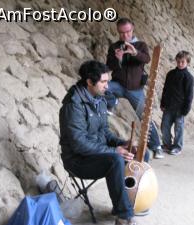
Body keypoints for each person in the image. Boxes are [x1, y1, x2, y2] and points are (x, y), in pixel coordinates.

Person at [59, 60, 138, 225]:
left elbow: (104, 132)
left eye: (107, 81)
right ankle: (124, 215)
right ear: (89, 82)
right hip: (77, 160)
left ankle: (123, 205)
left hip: (95, 154)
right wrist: (113, 151)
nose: (107, 86)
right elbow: (79, 144)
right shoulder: (73, 105)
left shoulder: (99, 99)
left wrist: (122, 143)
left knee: (135, 153)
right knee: (116, 160)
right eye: (103, 82)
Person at [105, 17, 164, 159]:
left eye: (128, 32)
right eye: (121, 33)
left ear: (133, 29)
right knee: (103, 87)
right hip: (118, 85)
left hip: (135, 89)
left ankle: (156, 146)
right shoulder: (115, 46)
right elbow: (108, 66)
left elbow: (147, 59)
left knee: (145, 117)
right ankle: (112, 104)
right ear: (118, 32)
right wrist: (118, 59)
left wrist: (134, 53)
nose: (125, 35)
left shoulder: (141, 45)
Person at [160, 51, 194, 155]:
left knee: (178, 129)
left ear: (187, 62)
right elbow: (165, 89)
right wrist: (163, 103)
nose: (180, 64)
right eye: (178, 61)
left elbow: (189, 95)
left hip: (180, 109)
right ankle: (167, 144)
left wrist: (186, 110)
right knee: (164, 126)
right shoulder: (170, 74)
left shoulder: (188, 77)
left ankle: (177, 147)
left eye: (182, 62)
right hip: (168, 106)